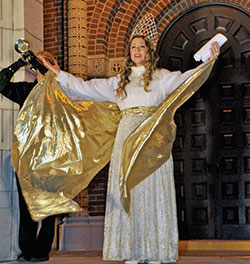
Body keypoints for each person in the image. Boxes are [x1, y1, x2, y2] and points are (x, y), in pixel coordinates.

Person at [41, 25, 220, 263]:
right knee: (130, 192)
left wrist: (209, 60)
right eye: (133, 47)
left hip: (153, 138)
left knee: (153, 190)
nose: (137, 50)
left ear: (148, 51)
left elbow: (186, 79)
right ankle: (132, 250)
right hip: (126, 138)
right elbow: (86, 89)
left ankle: (156, 251)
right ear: (129, 53)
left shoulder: (161, 77)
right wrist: (59, 74)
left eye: (141, 46)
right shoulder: (118, 83)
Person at [0, 51, 56, 262]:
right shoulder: (26, 90)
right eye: (36, 63)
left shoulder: (61, 92)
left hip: (52, 156)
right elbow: (1, 83)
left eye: (42, 63)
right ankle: (28, 250)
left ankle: (42, 251)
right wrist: (19, 62)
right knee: (26, 205)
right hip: (27, 157)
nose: (37, 67)